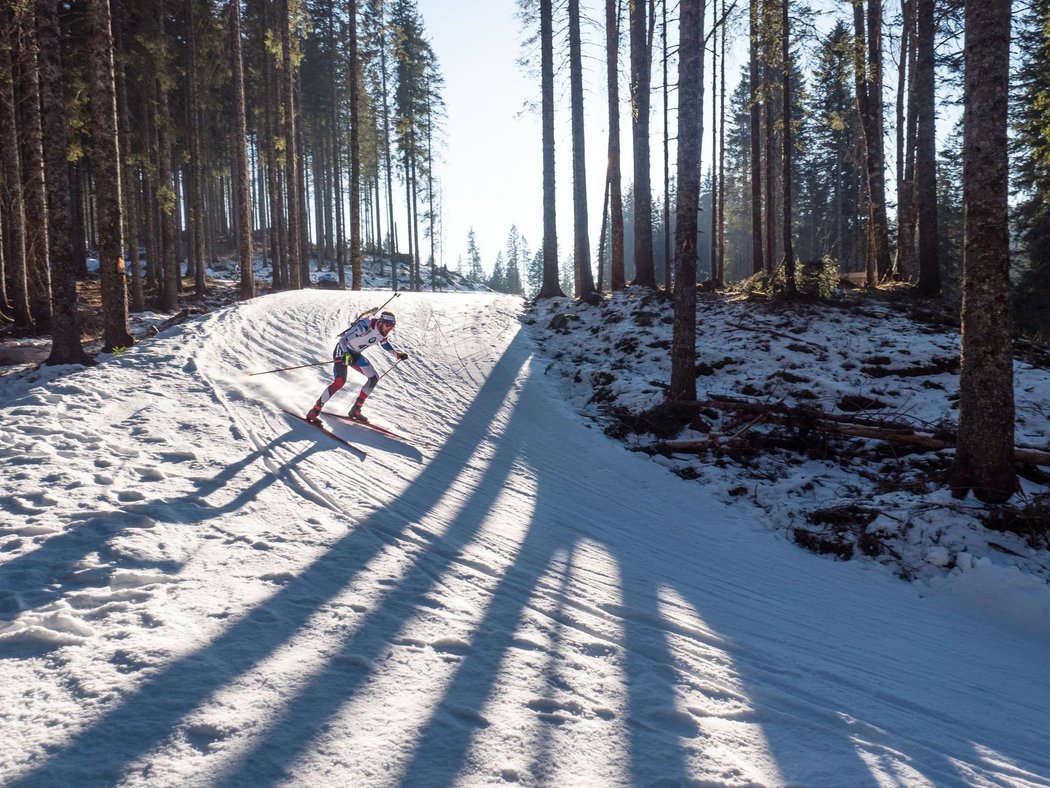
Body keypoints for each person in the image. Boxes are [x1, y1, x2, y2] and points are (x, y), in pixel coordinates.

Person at [305, 310, 408, 425]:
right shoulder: (365, 326)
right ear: (381, 322)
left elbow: (384, 343)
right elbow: (343, 340)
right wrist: (345, 353)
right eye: (388, 325)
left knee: (373, 378)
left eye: (392, 327)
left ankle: (356, 409)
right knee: (340, 381)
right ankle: (315, 410)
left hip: (355, 354)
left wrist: (396, 354)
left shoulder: (381, 331)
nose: (389, 329)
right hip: (343, 351)